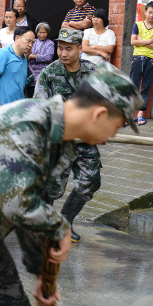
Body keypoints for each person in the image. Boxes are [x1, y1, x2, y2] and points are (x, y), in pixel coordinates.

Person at [0, 61, 142, 306]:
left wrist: (41, 272)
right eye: (119, 124)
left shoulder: (56, 139)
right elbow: (18, 205)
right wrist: (61, 228)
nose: (114, 134)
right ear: (100, 114)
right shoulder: (27, 124)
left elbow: (32, 206)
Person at [34, 29, 102, 243]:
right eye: (60, 48)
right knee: (53, 186)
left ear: (80, 48)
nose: (63, 53)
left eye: (68, 48)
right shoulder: (49, 73)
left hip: (85, 140)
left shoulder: (93, 72)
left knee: (90, 182)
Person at [0, 26, 34, 113]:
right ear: (17, 38)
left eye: (32, 42)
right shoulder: (3, 53)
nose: (30, 45)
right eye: (28, 41)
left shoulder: (24, 59)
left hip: (16, 108)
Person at [130, 1, 153, 126]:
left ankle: (140, 114)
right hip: (137, 58)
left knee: (146, 87)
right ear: (145, 11)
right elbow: (133, 42)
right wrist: (149, 41)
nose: (152, 15)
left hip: (151, 61)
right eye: (150, 12)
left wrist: (141, 40)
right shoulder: (137, 25)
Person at [26, 22, 55, 98]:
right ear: (37, 33)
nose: (42, 35)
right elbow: (27, 53)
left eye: (44, 32)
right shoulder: (33, 42)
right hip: (32, 73)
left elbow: (48, 57)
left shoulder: (50, 43)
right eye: (40, 32)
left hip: (43, 72)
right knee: (30, 96)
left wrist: (34, 56)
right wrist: (30, 56)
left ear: (47, 33)